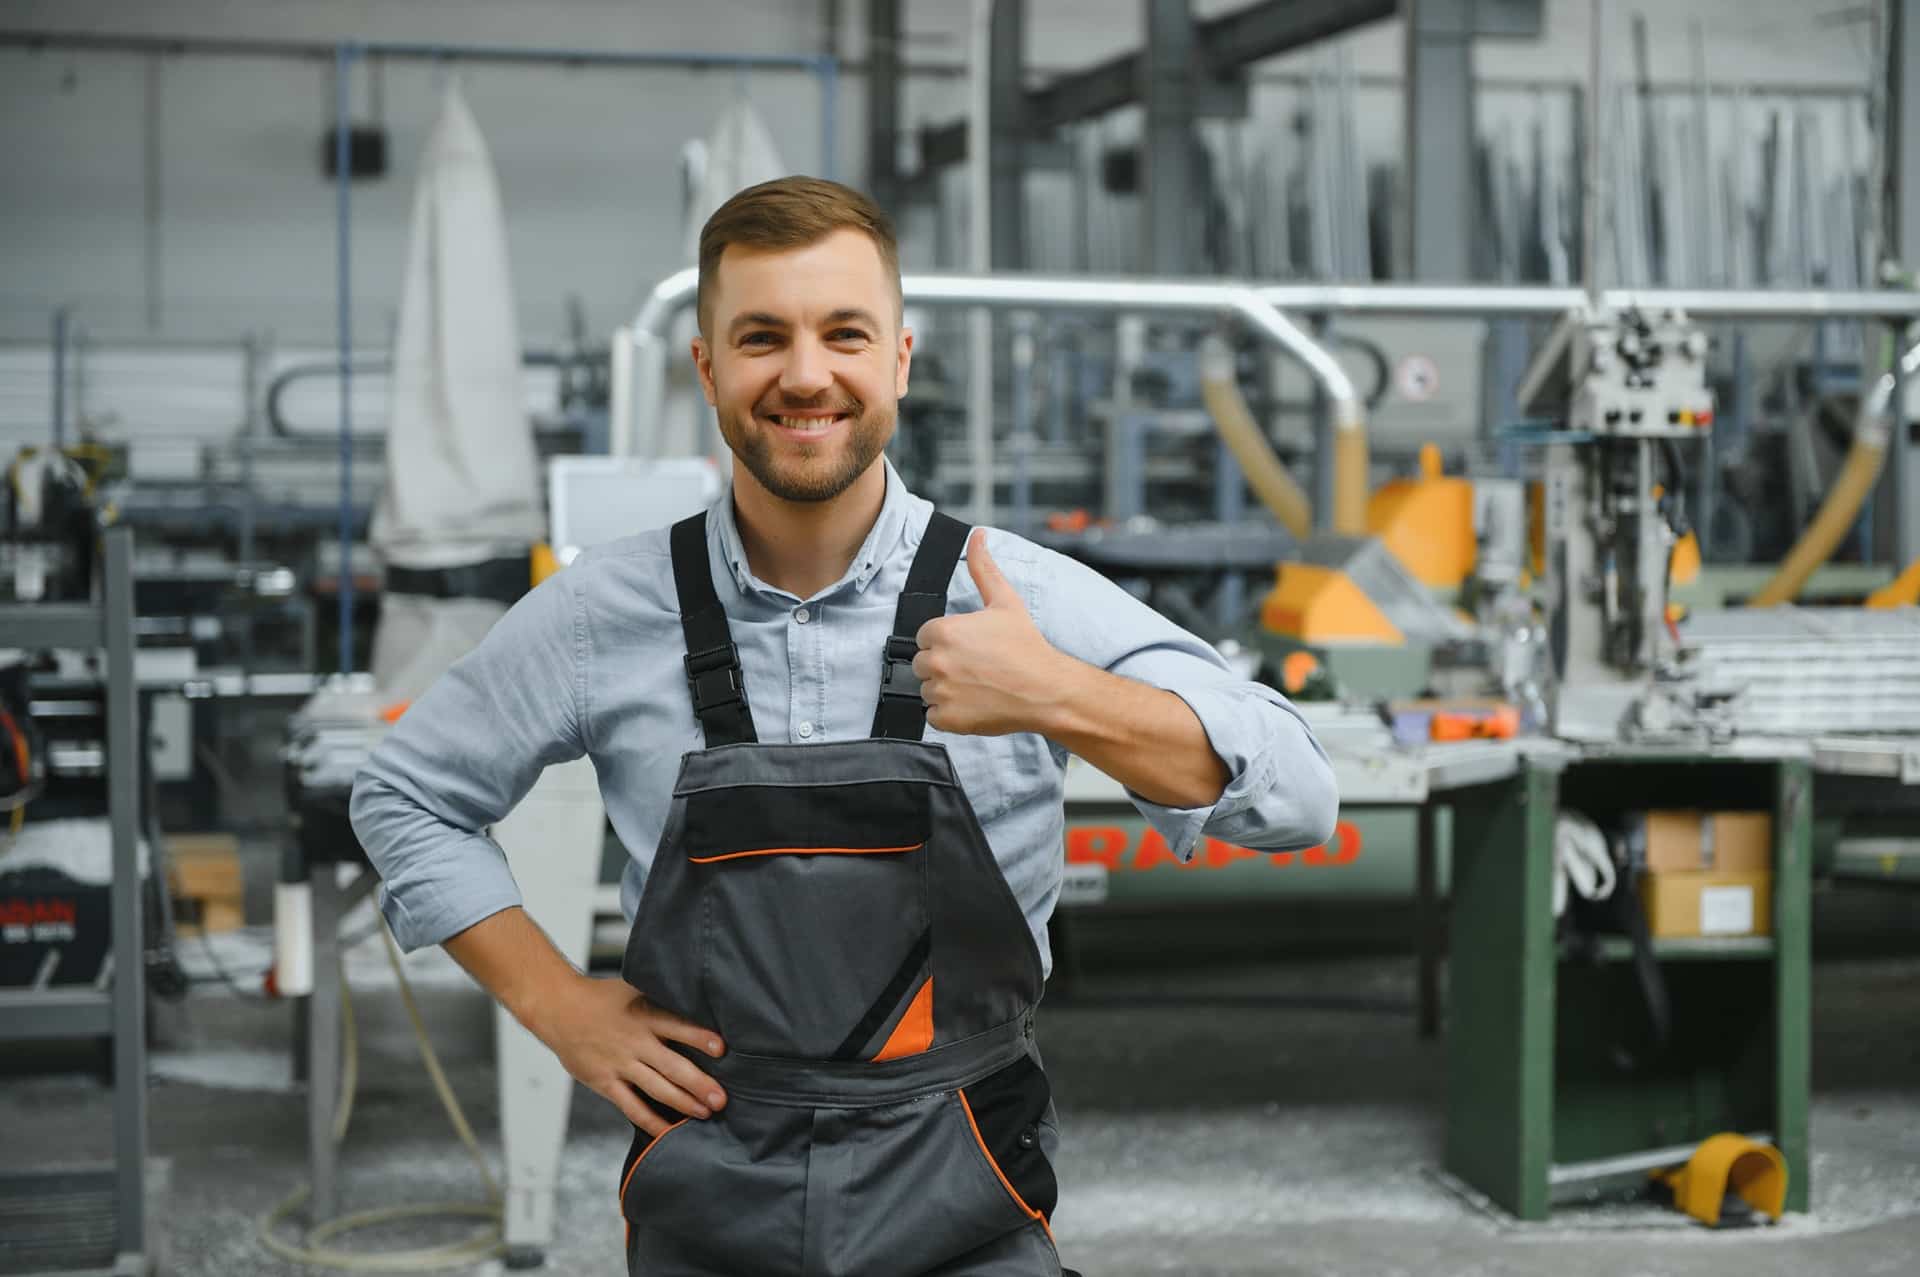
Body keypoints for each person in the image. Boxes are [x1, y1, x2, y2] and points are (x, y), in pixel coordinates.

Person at [351, 175, 1339, 1277]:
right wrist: (561, 1007)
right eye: (762, 336)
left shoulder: (1019, 595)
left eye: (845, 333)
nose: (806, 373)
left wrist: (1056, 694)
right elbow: (406, 794)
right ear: (708, 366)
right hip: (713, 1176)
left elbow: (1297, 793)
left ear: (900, 360)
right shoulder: (601, 615)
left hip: (964, 1173)